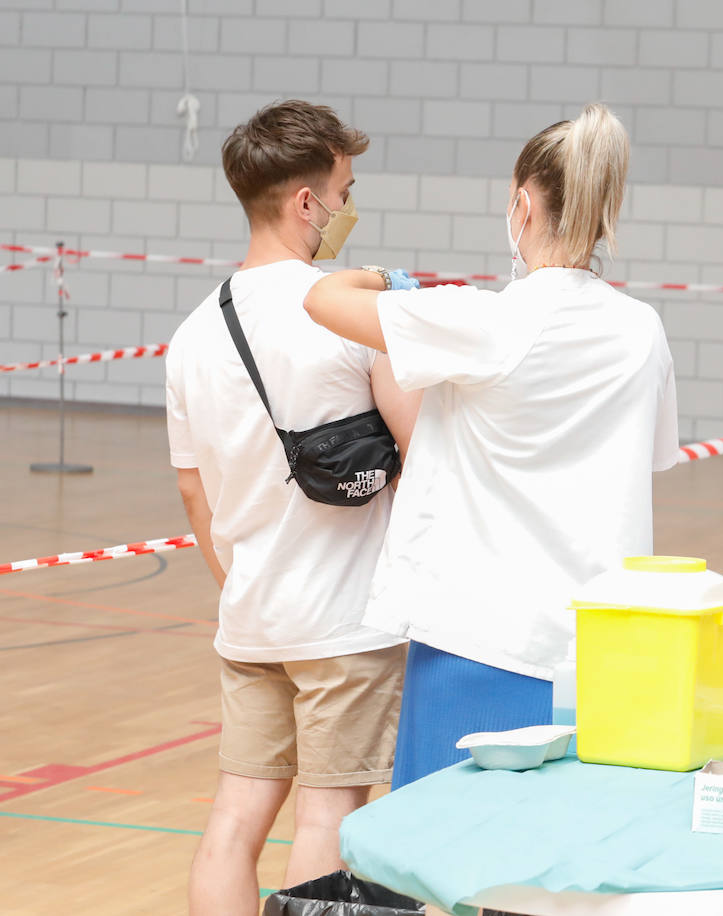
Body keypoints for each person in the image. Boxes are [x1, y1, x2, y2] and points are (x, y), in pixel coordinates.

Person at [303, 102, 679, 787]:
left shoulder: (489, 320)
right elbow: (645, 458)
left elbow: (323, 298)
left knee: (444, 857)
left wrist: (394, 282)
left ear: (524, 204)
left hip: (477, 642)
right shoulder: (642, 328)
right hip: (598, 647)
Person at [165, 100, 422, 916]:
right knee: (330, 811)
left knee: (235, 819)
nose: (349, 208)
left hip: (252, 619)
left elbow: (192, 491)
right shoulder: (349, 319)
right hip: (346, 621)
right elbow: (421, 456)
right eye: (344, 190)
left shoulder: (193, 334)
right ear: (305, 202)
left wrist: (243, 587)